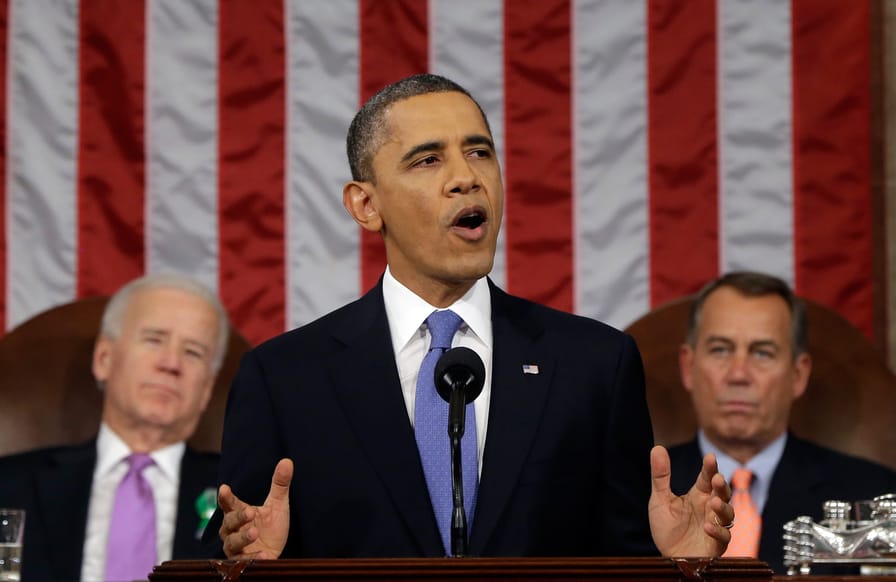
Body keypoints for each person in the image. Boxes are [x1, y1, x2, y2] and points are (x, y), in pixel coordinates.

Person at [203, 73, 733, 561]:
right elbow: (233, 546)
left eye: (479, 152)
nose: (466, 178)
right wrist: (247, 567)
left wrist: (679, 566)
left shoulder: (594, 365)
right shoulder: (284, 378)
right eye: (427, 160)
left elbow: (623, 559)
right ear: (366, 205)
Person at [0, 273, 231, 581]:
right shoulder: (9, 486)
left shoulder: (239, 503)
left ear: (207, 389)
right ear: (104, 358)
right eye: (154, 340)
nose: (171, 363)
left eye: (193, 352)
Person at [667, 271, 896, 573]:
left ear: (798, 375)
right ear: (688, 367)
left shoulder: (874, 494)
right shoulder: (637, 492)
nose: (738, 374)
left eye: (762, 353)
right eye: (720, 349)